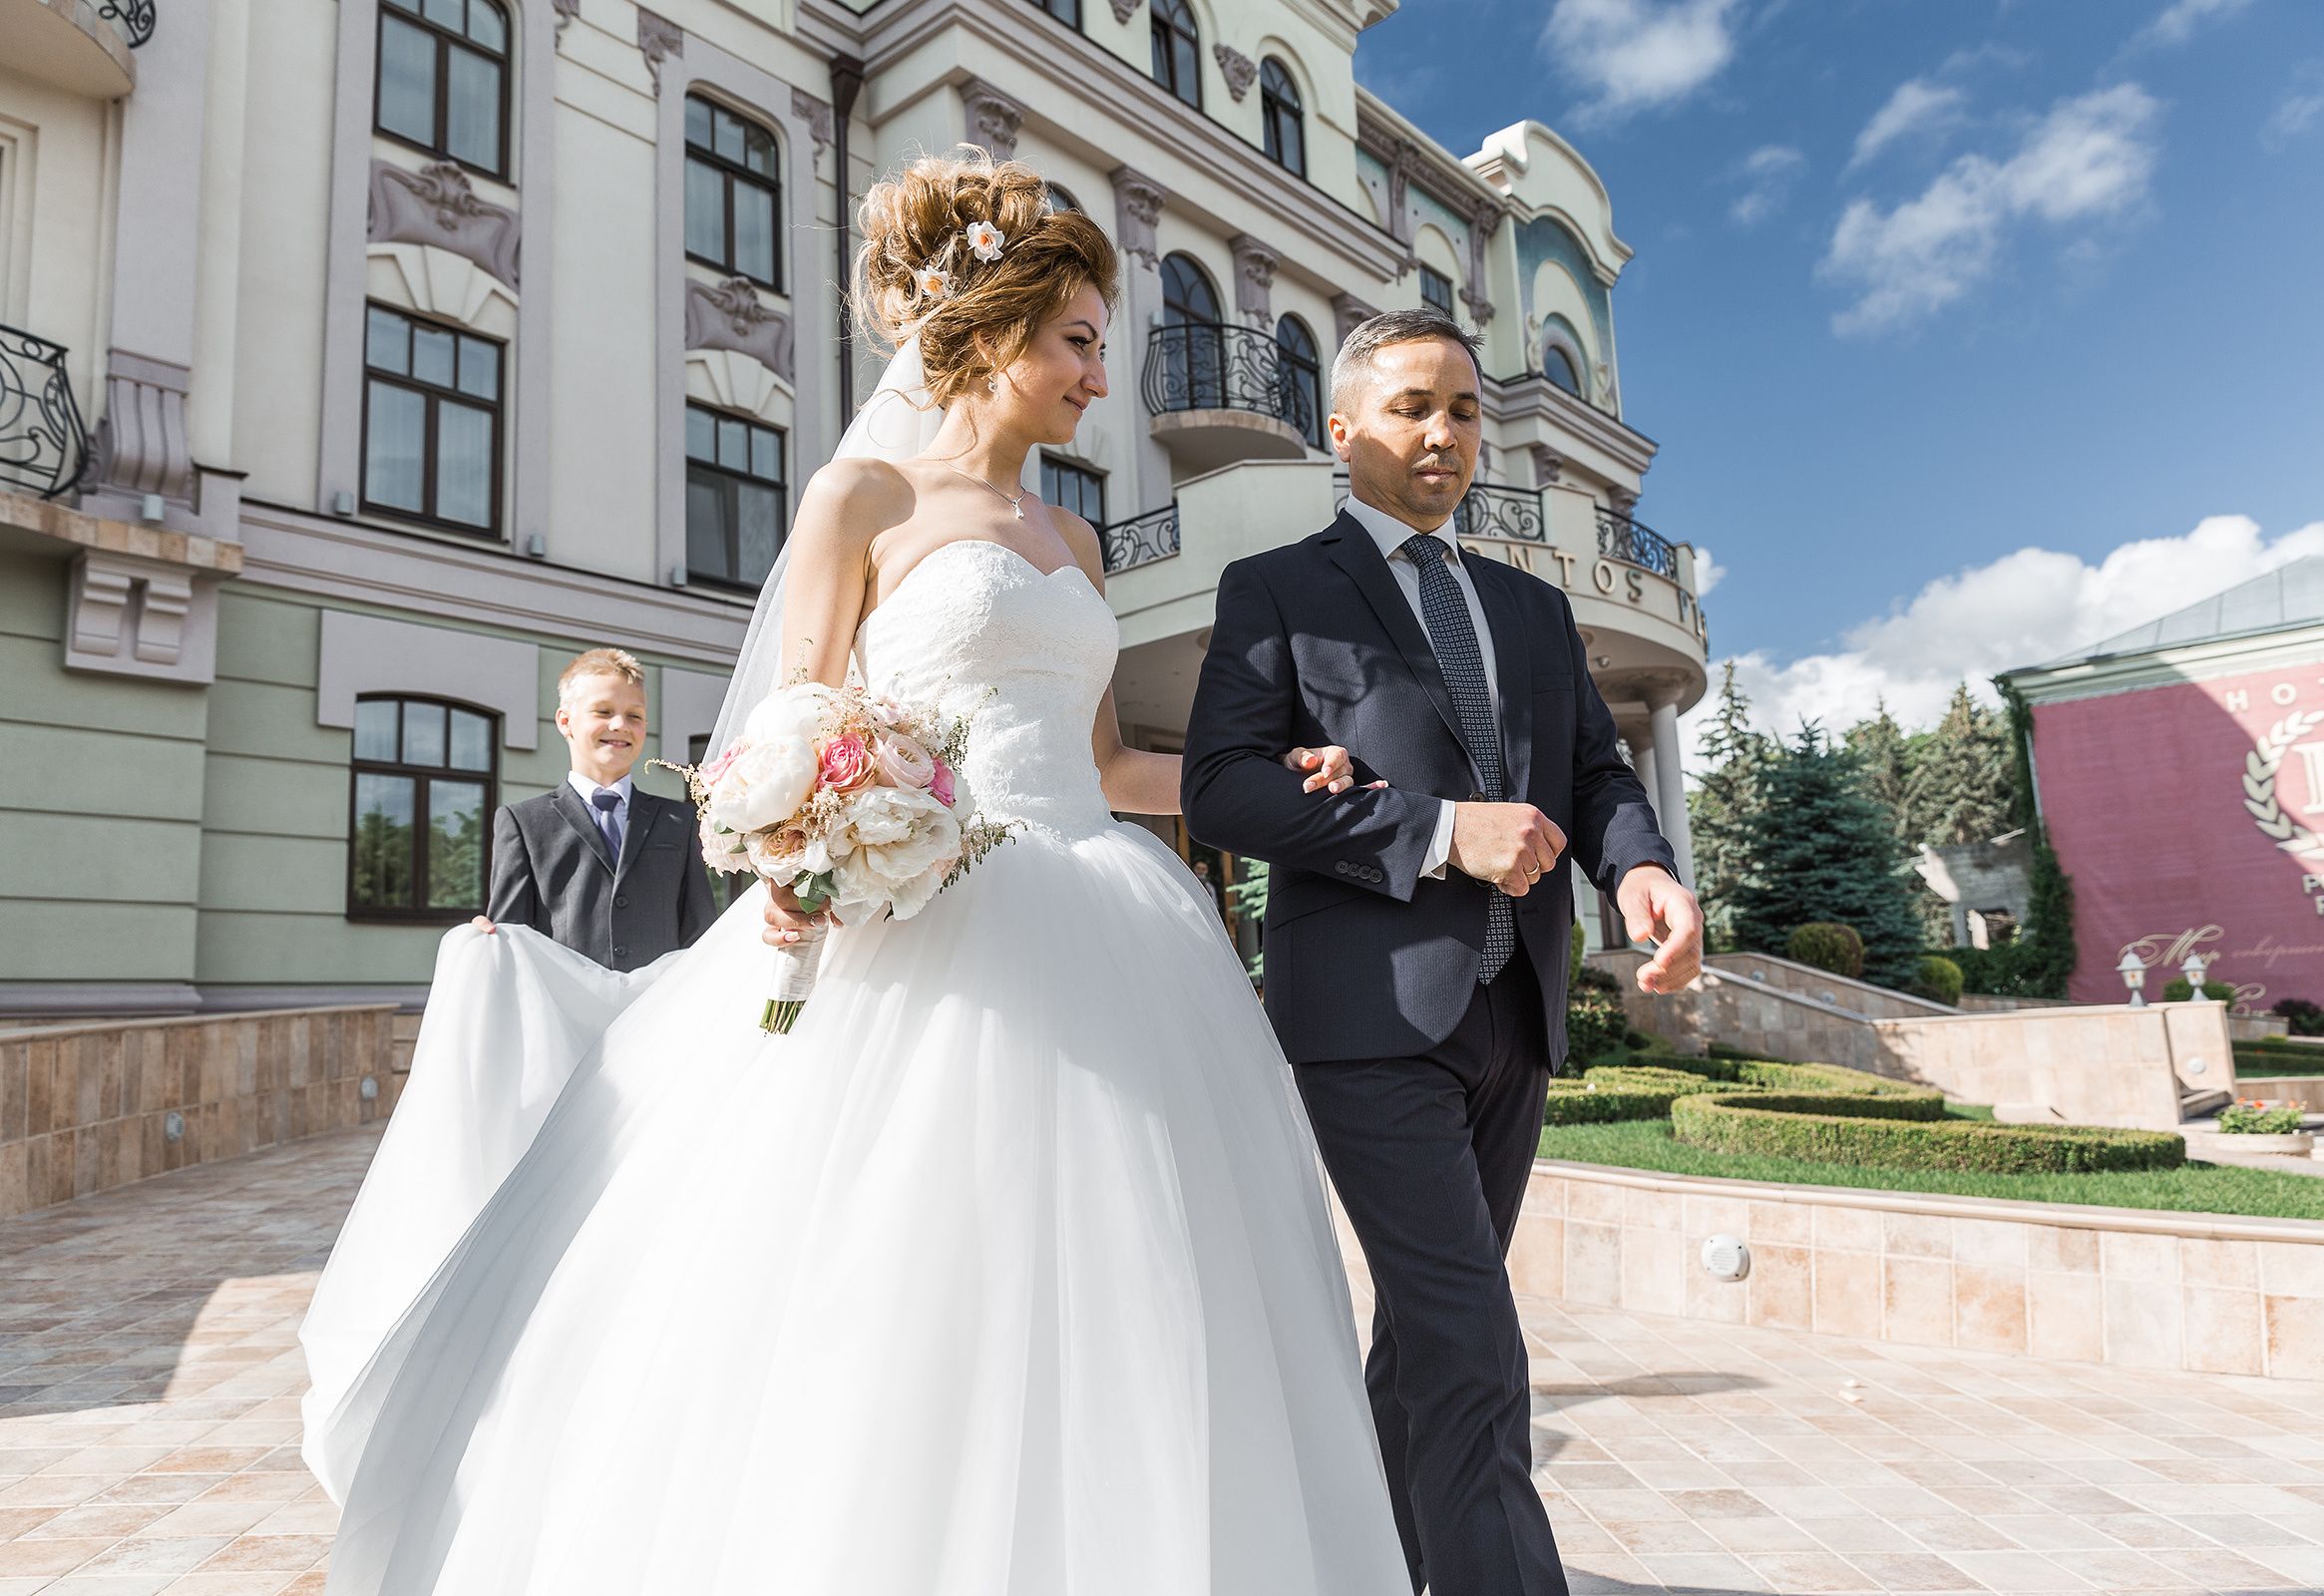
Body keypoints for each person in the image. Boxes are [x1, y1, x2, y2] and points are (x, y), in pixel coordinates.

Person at [299, 151, 1410, 1594]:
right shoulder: (859, 497)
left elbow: (1105, 768)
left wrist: (1268, 778)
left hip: (1114, 915)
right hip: (928, 924)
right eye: (1078, 342)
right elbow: (794, 722)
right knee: (891, 1280)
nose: (1095, 378)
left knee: (1130, 1283)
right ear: (998, 330)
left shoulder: (1074, 537)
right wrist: (804, 843)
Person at [1182, 309, 1705, 1596]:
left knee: (1425, 1340)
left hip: (1513, 1016)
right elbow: (1223, 790)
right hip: (1364, 1016)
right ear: (1344, 427)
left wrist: (1641, 866)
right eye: (1415, 406)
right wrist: (1432, 830)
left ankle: (1362, 1566)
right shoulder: (1279, 589)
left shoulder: (1530, 605)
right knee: (1474, 1337)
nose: (1446, 433)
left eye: (1465, 410)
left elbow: (1593, 769)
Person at [479, 648, 715, 971]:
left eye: (634, 715)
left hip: (658, 1010)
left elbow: (699, 932)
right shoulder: (523, 822)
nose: (620, 725)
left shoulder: (681, 821)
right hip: (564, 1011)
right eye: (603, 712)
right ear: (565, 721)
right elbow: (512, 936)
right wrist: (487, 939)